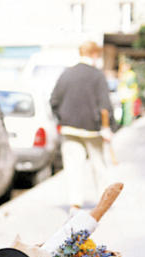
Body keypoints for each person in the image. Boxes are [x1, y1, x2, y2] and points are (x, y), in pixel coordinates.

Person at [50, 41, 114, 212]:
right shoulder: (97, 75)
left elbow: (54, 100)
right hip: (93, 128)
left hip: (69, 127)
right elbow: (105, 104)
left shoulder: (67, 74)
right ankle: (103, 203)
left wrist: (62, 118)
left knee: (73, 166)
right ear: (95, 54)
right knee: (98, 164)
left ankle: (75, 204)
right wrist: (108, 127)